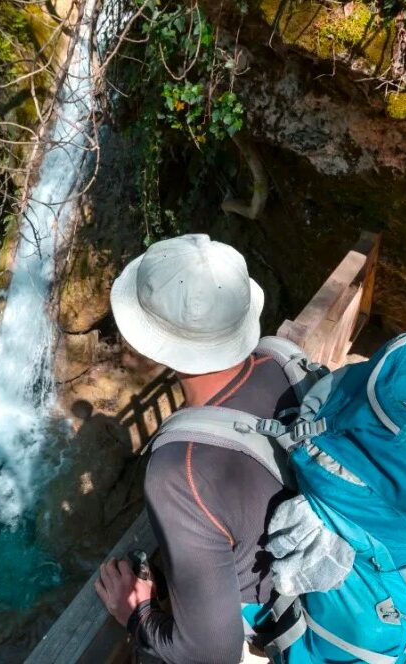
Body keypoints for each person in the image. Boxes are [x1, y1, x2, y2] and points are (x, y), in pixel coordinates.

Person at [94, 234, 297, 663]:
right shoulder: (284, 361)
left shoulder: (179, 470)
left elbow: (212, 653)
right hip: (324, 586)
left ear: (152, 338)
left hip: (275, 629)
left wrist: (137, 614)